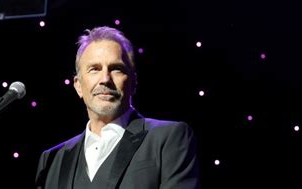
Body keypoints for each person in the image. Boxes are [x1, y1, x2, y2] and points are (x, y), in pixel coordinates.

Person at [35, 26, 200, 189]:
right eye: (94, 69)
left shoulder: (169, 138)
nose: (105, 79)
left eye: (116, 69)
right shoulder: (53, 159)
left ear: (133, 82)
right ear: (78, 86)